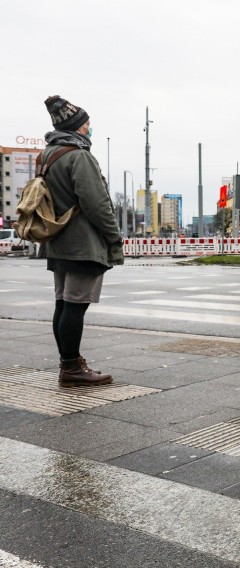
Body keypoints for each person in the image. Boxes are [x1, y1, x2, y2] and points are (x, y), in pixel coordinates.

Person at [40, 96, 124, 386]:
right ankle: (72, 368)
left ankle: (69, 364)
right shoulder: (79, 155)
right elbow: (96, 202)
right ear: (78, 127)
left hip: (58, 240)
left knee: (63, 303)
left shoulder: (48, 155)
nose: (90, 128)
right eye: (87, 123)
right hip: (82, 243)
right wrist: (113, 235)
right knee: (75, 305)